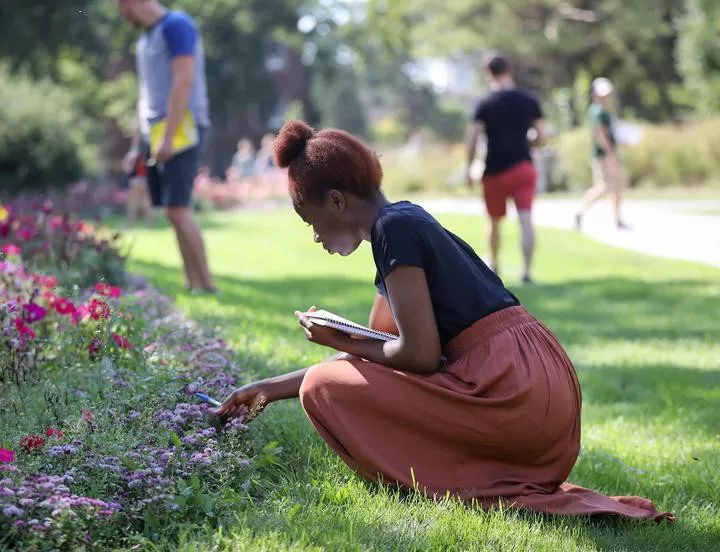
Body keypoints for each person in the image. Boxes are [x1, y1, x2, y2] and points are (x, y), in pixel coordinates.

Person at [214, 119, 673, 523]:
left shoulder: (394, 232)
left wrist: (340, 341)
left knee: (322, 387)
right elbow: (381, 350)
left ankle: (442, 479)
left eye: (308, 219)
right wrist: (271, 388)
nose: (314, 235)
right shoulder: (401, 224)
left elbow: (418, 356)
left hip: (513, 390)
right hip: (534, 386)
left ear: (335, 201)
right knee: (322, 379)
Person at [113, 0, 216, 294]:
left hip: (183, 127)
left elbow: (183, 81)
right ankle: (192, 282)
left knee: (178, 208)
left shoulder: (177, 25)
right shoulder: (145, 39)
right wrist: (137, 144)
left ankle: (207, 285)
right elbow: (146, 96)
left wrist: (169, 137)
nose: (122, 13)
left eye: (121, 6)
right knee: (172, 211)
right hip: (158, 131)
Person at [465, 55, 546, 284]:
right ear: (509, 70)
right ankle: (527, 272)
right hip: (523, 167)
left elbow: (472, 139)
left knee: (493, 220)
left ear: (488, 73)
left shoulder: (485, 103)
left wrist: (468, 167)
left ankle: (494, 264)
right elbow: (542, 135)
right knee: (526, 219)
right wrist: (529, 143)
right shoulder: (529, 100)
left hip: (494, 171)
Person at [575, 78, 628, 230]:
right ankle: (580, 211)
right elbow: (600, 135)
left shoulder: (604, 111)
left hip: (610, 152)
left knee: (616, 186)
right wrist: (610, 153)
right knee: (603, 186)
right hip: (604, 155)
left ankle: (618, 218)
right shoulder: (597, 111)